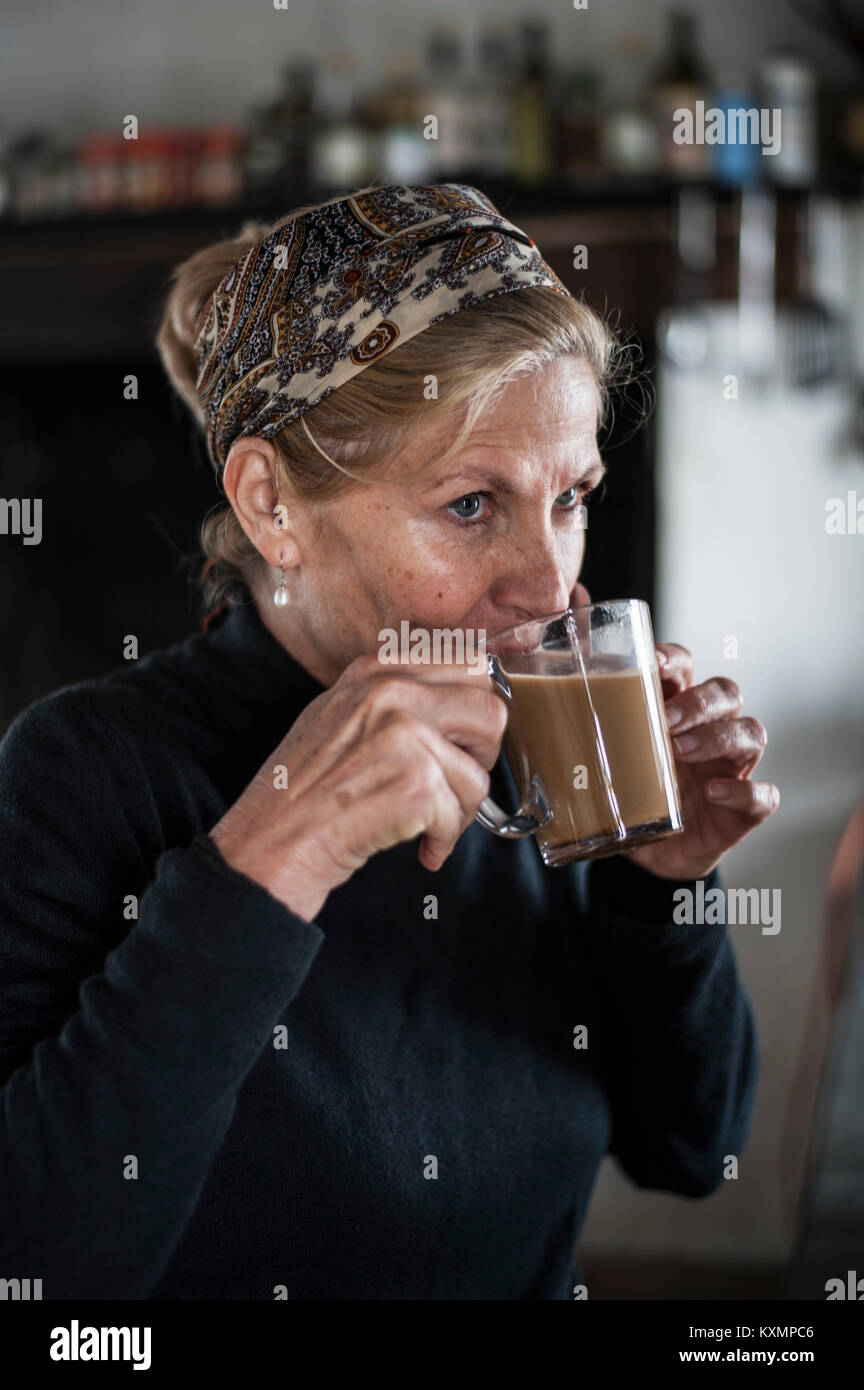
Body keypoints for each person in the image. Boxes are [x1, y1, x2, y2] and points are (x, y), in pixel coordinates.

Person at [0, 183, 778, 1300]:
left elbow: (694, 1154)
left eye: (572, 496)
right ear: (271, 503)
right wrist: (277, 854)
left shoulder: (546, 749)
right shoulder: (84, 774)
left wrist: (662, 887)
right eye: (471, 505)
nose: (550, 585)